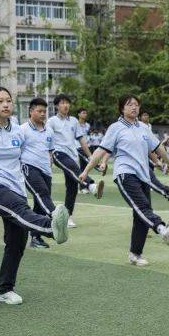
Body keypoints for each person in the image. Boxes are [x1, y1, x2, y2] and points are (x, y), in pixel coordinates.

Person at [0, 87, 70, 305]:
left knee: (16, 240)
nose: (6, 105)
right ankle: (50, 227)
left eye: (8, 101)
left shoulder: (18, 131)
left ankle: (5, 290)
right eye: (0, 101)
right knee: (20, 211)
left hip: (16, 188)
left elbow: (25, 157)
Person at [80, 94, 169, 267]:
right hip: (125, 174)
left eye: (136, 104)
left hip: (143, 175)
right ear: (122, 109)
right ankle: (162, 229)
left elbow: (157, 146)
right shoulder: (115, 128)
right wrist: (86, 170)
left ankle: (135, 254)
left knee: (141, 214)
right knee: (143, 207)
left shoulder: (143, 127)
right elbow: (101, 151)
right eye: (129, 105)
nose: (134, 107)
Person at [47, 94, 103, 226]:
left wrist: (90, 156)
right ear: (56, 106)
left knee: (71, 188)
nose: (65, 105)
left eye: (67, 103)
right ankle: (90, 185)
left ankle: (67, 217)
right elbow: (47, 140)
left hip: (72, 155)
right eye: (62, 103)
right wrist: (48, 159)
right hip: (58, 154)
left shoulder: (73, 121)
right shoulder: (52, 121)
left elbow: (82, 140)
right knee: (74, 170)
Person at [20, 98, 56, 249]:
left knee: (39, 204)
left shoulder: (49, 131)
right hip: (29, 167)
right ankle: (55, 216)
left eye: (44, 111)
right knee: (42, 194)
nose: (42, 114)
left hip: (45, 170)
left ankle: (35, 237)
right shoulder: (22, 129)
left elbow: (50, 151)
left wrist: (50, 165)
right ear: (31, 111)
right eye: (39, 111)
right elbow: (16, 151)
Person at [76, 107, 91, 171]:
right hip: (77, 147)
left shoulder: (88, 125)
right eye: (83, 113)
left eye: (86, 113)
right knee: (78, 165)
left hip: (86, 147)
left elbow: (87, 135)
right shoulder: (75, 124)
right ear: (79, 114)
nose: (85, 114)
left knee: (85, 167)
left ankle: (83, 179)